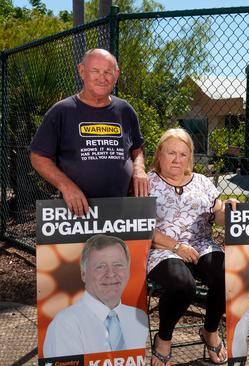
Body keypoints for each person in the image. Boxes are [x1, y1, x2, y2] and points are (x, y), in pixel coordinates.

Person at [147, 128, 237, 366]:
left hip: (201, 243)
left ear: (190, 157)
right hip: (161, 248)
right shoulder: (146, 183)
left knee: (227, 274)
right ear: (159, 154)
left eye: (183, 154)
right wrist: (176, 246)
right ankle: (163, 338)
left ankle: (210, 330)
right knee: (182, 285)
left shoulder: (203, 182)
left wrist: (227, 209)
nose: (177, 159)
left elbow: (215, 215)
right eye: (171, 153)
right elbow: (141, 227)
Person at [29, 48, 148, 217]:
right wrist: (66, 186)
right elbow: (38, 157)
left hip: (123, 213)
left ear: (117, 74)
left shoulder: (125, 110)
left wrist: (139, 169)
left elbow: (137, 148)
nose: (102, 77)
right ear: (82, 71)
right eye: (95, 71)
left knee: (119, 246)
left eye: (108, 72)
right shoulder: (61, 111)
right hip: (76, 213)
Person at [43, 234, 148, 357]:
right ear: (83, 274)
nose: (110, 274)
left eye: (118, 265)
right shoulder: (65, 325)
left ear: (128, 270)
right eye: (100, 267)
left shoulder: (139, 318)